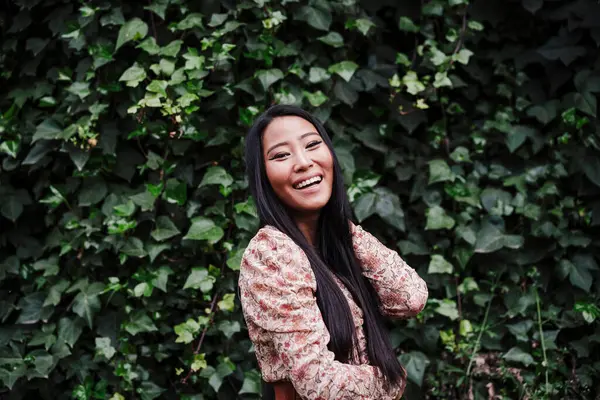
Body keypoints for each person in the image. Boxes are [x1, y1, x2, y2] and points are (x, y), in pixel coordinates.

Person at [238, 105, 429, 400]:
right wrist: (392, 380)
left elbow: (410, 298)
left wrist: (341, 227)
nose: (303, 162)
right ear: (263, 177)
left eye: (312, 145)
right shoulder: (272, 253)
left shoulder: (331, 246)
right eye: (281, 155)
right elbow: (318, 382)